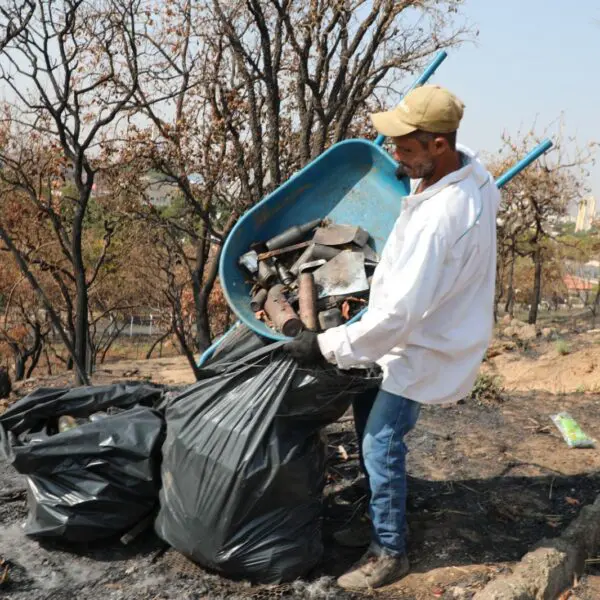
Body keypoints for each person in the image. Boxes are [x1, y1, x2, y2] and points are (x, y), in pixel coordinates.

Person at [284, 84, 501, 590]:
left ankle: (389, 550)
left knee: (382, 441)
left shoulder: (442, 218)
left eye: (405, 147)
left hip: (424, 345)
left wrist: (323, 345)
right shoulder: (474, 174)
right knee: (369, 426)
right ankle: (380, 507)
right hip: (419, 330)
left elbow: (398, 317)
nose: (394, 155)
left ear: (439, 145)